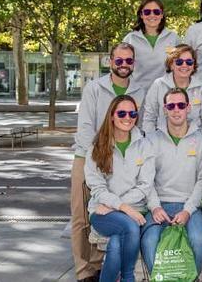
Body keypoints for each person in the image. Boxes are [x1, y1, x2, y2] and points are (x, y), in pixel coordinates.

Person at [70, 42, 145, 282]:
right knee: (82, 218)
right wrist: (102, 155)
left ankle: (98, 265)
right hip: (90, 157)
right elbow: (85, 129)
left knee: (110, 213)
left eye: (128, 60)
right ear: (110, 62)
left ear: (134, 63)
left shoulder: (140, 91)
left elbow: (139, 130)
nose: (124, 65)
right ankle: (84, 272)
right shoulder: (94, 88)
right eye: (119, 60)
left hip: (124, 161)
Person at [140, 88, 202, 277]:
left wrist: (188, 210)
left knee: (199, 239)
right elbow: (146, 180)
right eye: (171, 106)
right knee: (149, 241)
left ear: (188, 108)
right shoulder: (151, 141)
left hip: (190, 206)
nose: (176, 110)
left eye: (181, 105)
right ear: (165, 109)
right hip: (159, 205)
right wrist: (154, 207)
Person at [85, 95, 155, 282]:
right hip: (102, 212)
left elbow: (145, 185)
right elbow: (97, 189)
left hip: (129, 209)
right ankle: (127, 277)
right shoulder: (96, 148)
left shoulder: (145, 145)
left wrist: (115, 205)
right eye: (122, 113)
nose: (128, 117)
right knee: (129, 227)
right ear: (112, 116)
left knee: (116, 243)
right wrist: (122, 207)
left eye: (132, 113)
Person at [142, 44, 202, 137]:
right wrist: (152, 142)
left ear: (193, 65)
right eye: (179, 62)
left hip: (194, 143)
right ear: (171, 64)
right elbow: (149, 117)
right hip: (163, 141)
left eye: (189, 62)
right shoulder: (158, 85)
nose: (184, 65)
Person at [123, 0, 180, 91]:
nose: (152, 15)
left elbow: (181, 66)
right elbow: (121, 68)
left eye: (156, 12)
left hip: (167, 94)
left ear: (162, 15)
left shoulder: (173, 38)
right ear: (141, 15)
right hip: (136, 94)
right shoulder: (130, 39)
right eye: (147, 12)